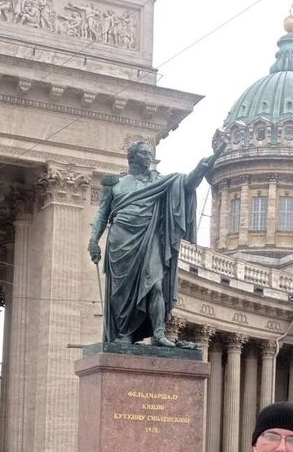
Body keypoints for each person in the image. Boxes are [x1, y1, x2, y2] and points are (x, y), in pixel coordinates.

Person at [88, 140, 219, 347]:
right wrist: (93, 241)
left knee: (156, 285)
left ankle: (159, 332)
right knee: (122, 292)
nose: (148, 157)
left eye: (150, 154)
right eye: (143, 153)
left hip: (150, 237)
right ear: (132, 157)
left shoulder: (158, 181)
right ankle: (124, 333)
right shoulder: (115, 184)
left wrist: (200, 169)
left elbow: (185, 184)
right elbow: (102, 214)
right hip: (121, 241)